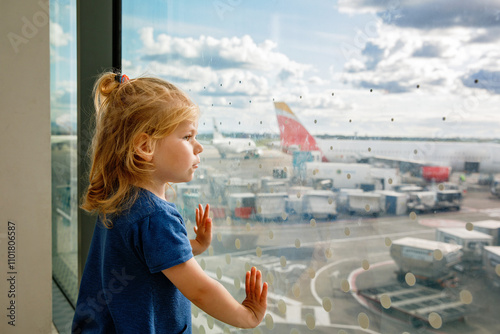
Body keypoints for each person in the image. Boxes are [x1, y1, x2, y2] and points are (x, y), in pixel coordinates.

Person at [72, 72, 267, 333]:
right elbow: (199, 290)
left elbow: (146, 253)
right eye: (187, 137)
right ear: (145, 146)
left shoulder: (120, 196)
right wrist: (247, 316)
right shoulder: (154, 217)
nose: (199, 147)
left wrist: (195, 245)